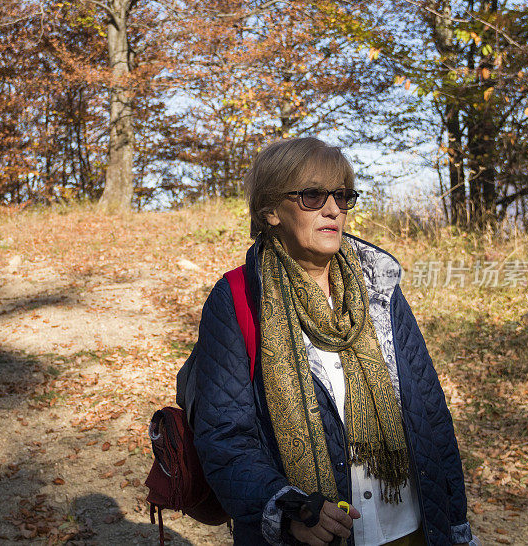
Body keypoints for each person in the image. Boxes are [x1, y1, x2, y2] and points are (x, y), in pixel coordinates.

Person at [178, 138, 476, 545]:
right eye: (312, 195)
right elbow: (224, 435)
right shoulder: (239, 298)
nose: (333, 209)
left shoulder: (380, 289)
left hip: (412, 528)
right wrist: (289, 509)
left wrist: (455, 525)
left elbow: (430, 412)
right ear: (270, 210)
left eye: (342, 195)